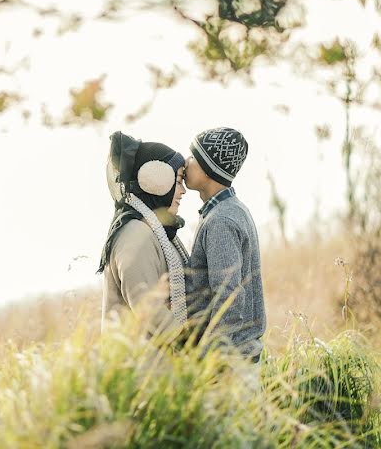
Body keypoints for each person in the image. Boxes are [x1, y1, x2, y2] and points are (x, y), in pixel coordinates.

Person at [183, 127, 266, 363]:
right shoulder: (230, 210)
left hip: (230, 365)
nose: (186, 163)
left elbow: (228, 299)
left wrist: (211, 360)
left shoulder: (221, 221)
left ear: (209, 169)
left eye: (193, 158)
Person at [98, 132, 189, 338]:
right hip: (138, 367)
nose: (183, 191)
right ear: (156, 182)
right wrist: (191, 344)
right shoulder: (135, 236)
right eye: (179, 180)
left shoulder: (150, 231)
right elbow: (147, 307)